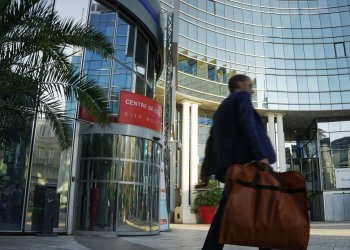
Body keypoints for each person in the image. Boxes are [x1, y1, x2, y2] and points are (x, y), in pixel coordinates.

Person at [200, 74, 276, 250]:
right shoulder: (241, 97)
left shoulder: (220, 110)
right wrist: (260, 155)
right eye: (250, 85)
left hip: (229, 168)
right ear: (240, 84)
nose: (252, 89)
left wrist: (205, 172)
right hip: (244, 166)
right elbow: (247, 124)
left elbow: (211, 142)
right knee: (260, 207)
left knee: (228, 212)